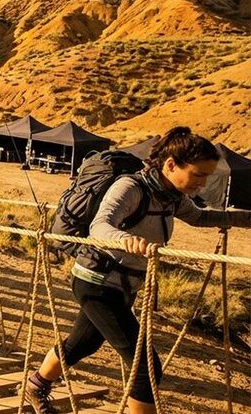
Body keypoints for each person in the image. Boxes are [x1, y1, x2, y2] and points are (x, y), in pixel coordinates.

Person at [23, 127, 251, 414]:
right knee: (145, 367)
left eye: (207, 176)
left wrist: (246, 219)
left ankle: (36, 386)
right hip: (97, 281)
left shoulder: (171, 195)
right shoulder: (130, 188)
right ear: (171, 165)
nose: (203, 183)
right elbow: (100, 226)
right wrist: (123, 239)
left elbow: (199, 217)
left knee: (82, 344)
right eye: (198, 174)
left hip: (123, 284)